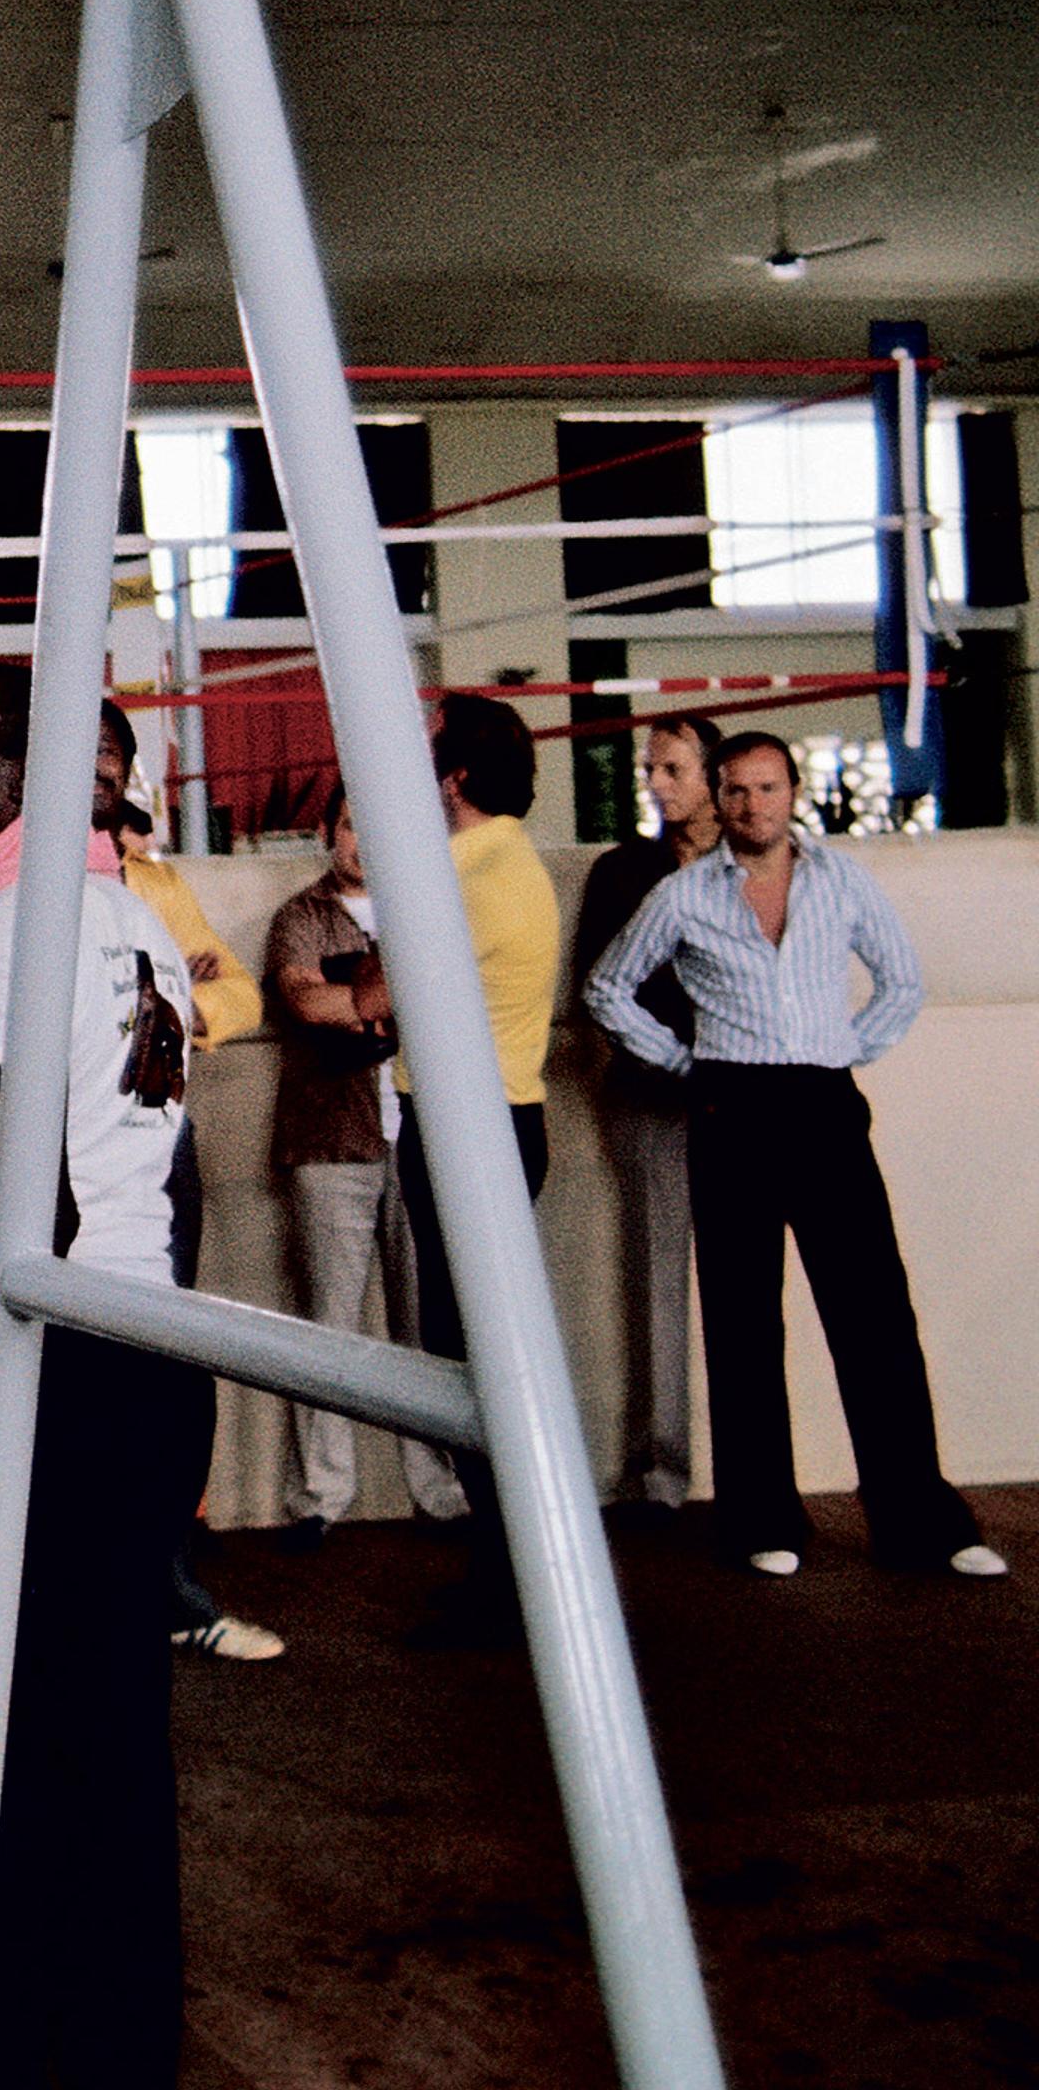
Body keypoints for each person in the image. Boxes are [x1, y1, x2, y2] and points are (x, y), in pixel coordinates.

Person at [0, 663, 203, 2088]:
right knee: (102, 1721)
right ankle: (115, 2039)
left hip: (18, 1363)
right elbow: (164, 1182)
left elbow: (34, 1210)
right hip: (135, 1350)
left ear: (17, 765)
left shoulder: (10, 925)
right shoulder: (138, 924)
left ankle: (3, 2040)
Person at [586, 732, 1003, 1581]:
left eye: (766, 788)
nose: (752, 806)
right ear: (721, 798)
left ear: (792, 791)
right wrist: (681, 1064)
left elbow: (902, 983)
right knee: (742, 1322)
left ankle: (923, 1520)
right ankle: (761, 1520)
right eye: (736, 791)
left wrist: (841, 1050)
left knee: (876, 1316)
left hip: (822, 1107)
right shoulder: (683, 895)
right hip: (729, 1107)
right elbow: (606, 988)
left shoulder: (841, 879)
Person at [91, 704, 280, 1665]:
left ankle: (168, 1580)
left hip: (161, 1144)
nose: (96, 771)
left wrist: (168, 1007)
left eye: (110, 756)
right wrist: (157, 999)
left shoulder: (158, 885)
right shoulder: (16, 881)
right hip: (71, 1152)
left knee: (167, 1361)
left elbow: (237, 996)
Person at [394, 693, 559, 1644]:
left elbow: (372, 996)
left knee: (477, 1361)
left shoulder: (462, 871)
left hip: (470, 1129)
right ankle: (508, 1571)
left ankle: (511, 1579)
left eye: (422, 745)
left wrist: (329, 990)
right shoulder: (503, 859)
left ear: (453, 777)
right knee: (469, 1350)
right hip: (488, 1121)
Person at [261, 808, 466, 1541]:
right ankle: (320, 1496)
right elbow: (307, 1001)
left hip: (422, 1140)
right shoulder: (302, 916)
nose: (363, 838)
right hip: (330, 1141)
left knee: (427, 1323)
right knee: (330, 1324)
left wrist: (357, 1007)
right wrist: (389, 1009)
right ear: (327, 832)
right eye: (350, 823)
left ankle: (439, 1489)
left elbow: (447, 1003)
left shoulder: (431, 904)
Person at [571, 714, 724, 1522]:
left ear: (711, 776)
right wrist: (672, 1058)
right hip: (653, 1096)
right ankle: (661, 1475)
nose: (657, 785)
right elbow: (598, 987)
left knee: (745, 1288)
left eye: (672, 770)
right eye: (651, 770)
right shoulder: (622, 870)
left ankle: (749, 1474)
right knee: (659, 1283)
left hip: (748, 1100)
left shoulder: (754, 867)